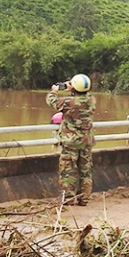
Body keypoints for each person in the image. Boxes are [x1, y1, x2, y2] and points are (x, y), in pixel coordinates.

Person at [47, 73, 95, 206]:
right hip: (86, 142)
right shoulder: (91, 100)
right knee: (85, 170)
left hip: (71, 142)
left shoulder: (68, 102)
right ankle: (84, 199)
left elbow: (52, 101)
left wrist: (54, 91)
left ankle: (69, 198)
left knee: (68, 170)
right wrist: (73, 89)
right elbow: (81, 97)